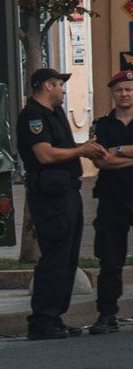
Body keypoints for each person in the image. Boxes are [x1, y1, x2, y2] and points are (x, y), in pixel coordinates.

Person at [16, 68, 107, 340]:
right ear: (46, 86)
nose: (63, 90)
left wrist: (85, 147)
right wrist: (82, 150)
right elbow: (44, 154)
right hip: (50, 196)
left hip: (68, 192)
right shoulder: (33, 116)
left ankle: (55, 316)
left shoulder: (54, 114)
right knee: (55, 257)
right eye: (59, 85)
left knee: (68, 258)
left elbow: (62, 147)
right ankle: (42, 319)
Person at [88, 70, 133, 334]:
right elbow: (100, 160)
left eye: (129, 89)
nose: (125, 94)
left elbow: (109, 156)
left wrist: (116, 150)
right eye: (120, 90)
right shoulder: (101, 125)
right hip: (112, 199)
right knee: (110, 259)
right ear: (112, 94)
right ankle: (107, 314)